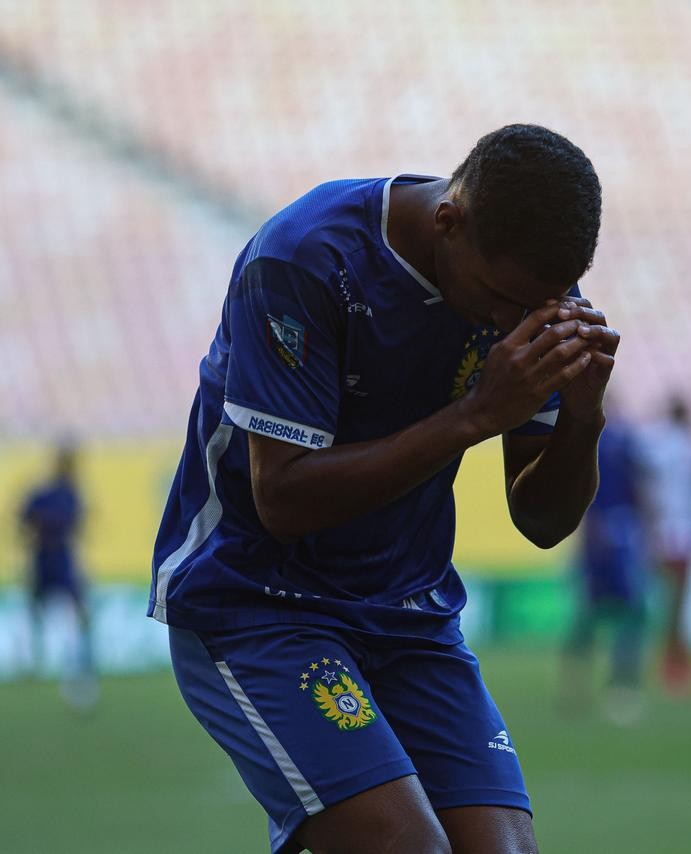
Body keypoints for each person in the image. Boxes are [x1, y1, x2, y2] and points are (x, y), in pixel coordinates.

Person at [148, 124, 617, 854]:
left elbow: (542, 521)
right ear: (449, 221)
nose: (508, 325)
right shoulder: (306, 258)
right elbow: (285, 501)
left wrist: (583, 418)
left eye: (531, 307)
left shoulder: (529, 287)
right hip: (256, 603)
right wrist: (474, 416)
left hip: (409, 614)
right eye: (498, 300)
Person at [558, 408, 648, 725]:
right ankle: (621, 685)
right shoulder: (623, 440)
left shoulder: (586, 439)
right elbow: (640, 488)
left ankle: (576, 684)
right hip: (619, 536)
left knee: (591, 617)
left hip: (595, 534)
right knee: (629, 614)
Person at [637, 395, 691, 698]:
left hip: (666, 529)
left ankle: (671, 664)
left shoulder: (660, 444)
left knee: (668, 601)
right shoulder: (690, 446)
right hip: (684, 528)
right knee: (679, 603)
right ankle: (676, 665)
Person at [21, 443, 96, 706]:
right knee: (40, 610)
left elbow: (27, 522)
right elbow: (26, 522)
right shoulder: (56, 494)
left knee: (69, 611)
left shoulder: (63, 494)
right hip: (50, 559)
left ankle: (75, 665)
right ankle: (36, 661)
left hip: (57, 558)